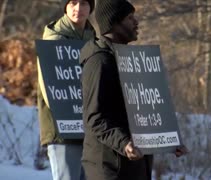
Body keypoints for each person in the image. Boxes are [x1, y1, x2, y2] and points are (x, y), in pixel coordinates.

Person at [79, 0, 188, 179]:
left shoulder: (132, 61)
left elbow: (145, 112)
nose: (136, 22)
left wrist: (169, 140)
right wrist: (124, 143)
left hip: (136, 167)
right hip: (108, 168)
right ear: (114, 23)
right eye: (130, 18)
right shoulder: (99, 62)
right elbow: (95, 118)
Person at [37, 0, 95, 180]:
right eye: (73, 3)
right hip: (62, 130)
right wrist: (67, 114)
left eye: (84, 3)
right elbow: (49, 88)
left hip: (89, 129)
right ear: (65, 7)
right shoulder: (54, 38)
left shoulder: (93, 39)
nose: (78, 9)